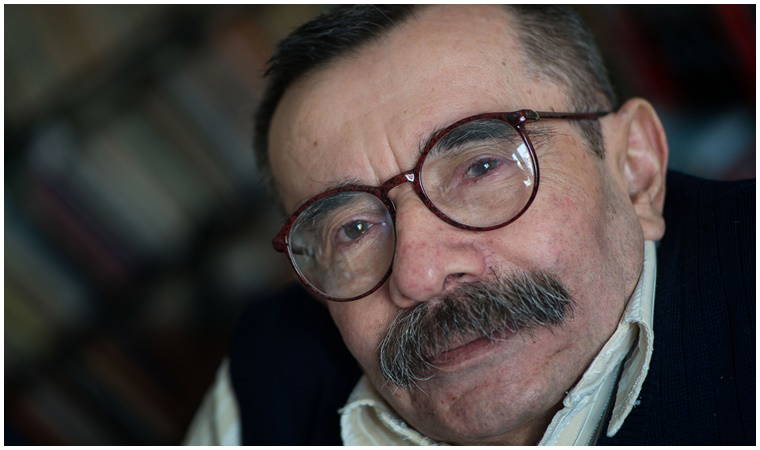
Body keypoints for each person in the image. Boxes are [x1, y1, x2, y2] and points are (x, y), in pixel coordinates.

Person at [184, 5, 754, 445]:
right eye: (352, 229)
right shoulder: (267, 382)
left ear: (635, 168)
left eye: (480, 168)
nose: (420, 274)